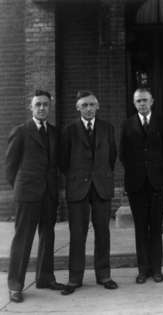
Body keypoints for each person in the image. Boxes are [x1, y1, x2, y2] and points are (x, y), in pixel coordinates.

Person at [5, 90, 65, 303]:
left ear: (50, 107)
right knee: (23, 239)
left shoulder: (55, 132)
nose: (42, 108)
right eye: (38, 104)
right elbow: (10, 167)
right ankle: (15, 285)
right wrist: (21, 188)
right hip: (27, 194)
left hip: (49, 193)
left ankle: (45, 278)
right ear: (31, 107)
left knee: (47, 236)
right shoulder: (21, 131)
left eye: (45, 105)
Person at [60, 90, 118, 295]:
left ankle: (104, 275)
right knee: (77, 235)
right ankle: (75, 278)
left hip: (101, 187)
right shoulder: (69, 130)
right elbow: (64, 161)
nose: (89, 108)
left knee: (103, 232)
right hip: (78, 188)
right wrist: (79, 177)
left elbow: (112, 156)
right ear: (78, 108)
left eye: (92, 104)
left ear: (98, 106)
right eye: (84, 105)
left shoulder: (107, 128)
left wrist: (99, 176)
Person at [119, 88, 163, 284]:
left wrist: (162, 175)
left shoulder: (162, 123)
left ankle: (157, 269)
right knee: (140, 228)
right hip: (136, 184)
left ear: (152, 101)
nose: (142, 104)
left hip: (157, 183)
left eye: (145, 100)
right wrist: (136, 172)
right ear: (134, 103)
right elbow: (123, 154)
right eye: (138, 101)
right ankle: (143, 270)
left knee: (156, 228)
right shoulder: (127, 124)